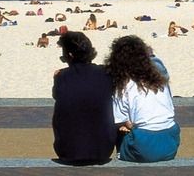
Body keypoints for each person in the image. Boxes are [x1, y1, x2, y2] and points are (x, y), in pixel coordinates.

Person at [104, 35, 180, 162]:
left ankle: (121, 156)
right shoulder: (160, 80)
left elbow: (121, 121)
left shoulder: (124, 85)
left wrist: (128, 125)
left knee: (118, 128)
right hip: (171, 140)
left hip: (143, 145)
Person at [51, 31, 116, 165]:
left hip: (68, 152)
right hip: (102, 151)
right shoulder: (106, 73)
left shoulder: (62, 77)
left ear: (69, 55)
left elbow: (57, 96)